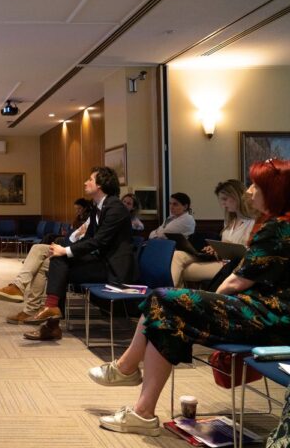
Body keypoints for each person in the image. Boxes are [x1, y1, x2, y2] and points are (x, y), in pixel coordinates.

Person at [87, 158, 290, 437]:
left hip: (270, 318)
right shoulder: (277, 225)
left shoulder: (278, 228)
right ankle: (140, 408)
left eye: (256, 185)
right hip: (267, 313)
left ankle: (127, 373)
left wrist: (206, 302)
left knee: (164, 300)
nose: (249, 191)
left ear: (274, 191)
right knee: (165, 310)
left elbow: (237, 281)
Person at [22, 166, 134, 341]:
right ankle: (51, 315)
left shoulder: (116, 208)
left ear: (100, 185)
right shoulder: (98, 207)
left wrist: (65, 250)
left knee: (61, 261)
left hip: (113, 269)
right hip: (101, 261)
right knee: (59, 260)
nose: (85, 182)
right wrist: (62, 248)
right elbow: (87, 238)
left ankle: (51, 321)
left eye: (90, 179)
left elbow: (99, 241)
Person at [0, 220, 89, 324]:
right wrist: (73, 237)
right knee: (38, 249)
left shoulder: (100, 215)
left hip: (85, 259)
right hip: (73, 250)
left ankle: (28, 305)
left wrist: (67, 246)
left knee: (43, 262)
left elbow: (93, 242)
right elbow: (72, 238)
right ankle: (19, 288)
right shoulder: (92, 215)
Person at [170, 179, 256, 287]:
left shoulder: (252, 223)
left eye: (225, 199)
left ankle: (170, 293)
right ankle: (172, 293)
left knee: (182, 270)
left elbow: (251, 251)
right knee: (177, 255)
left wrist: (226, 248)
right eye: (221, 200)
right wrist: (216, 249)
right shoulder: (230, 222)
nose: (223, 204)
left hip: (233, 265)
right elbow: (226, 246)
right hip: (221, 260)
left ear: (237, 197)